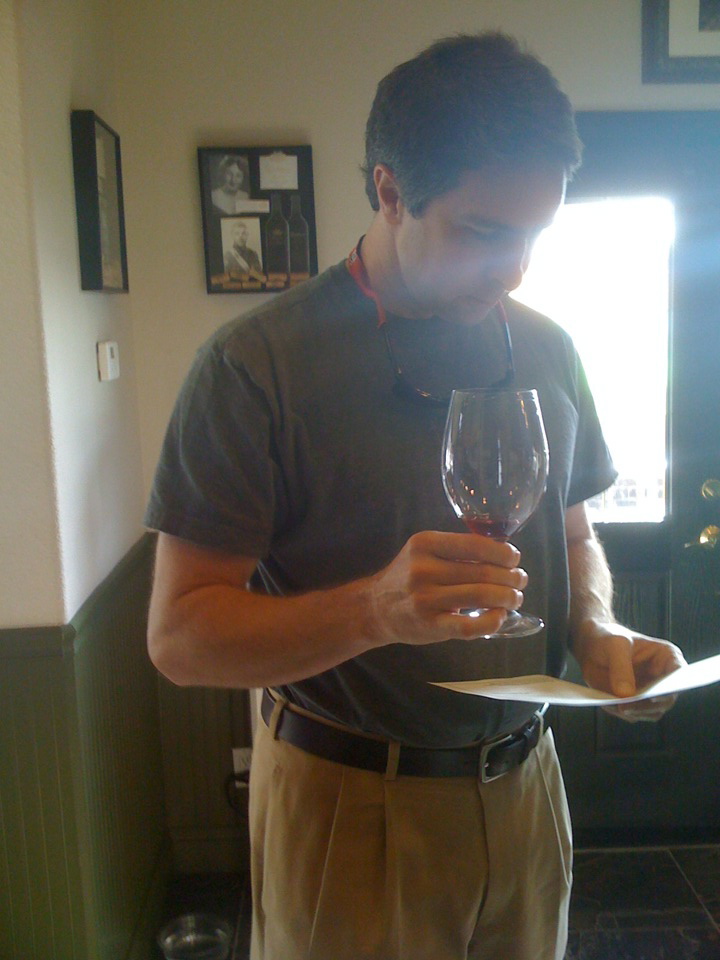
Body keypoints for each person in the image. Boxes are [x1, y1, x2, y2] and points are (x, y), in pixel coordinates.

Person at [145, 32, 686, 960]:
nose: (515, 269)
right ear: (391, 192)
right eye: (485, 231)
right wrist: (375, 610)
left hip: (527, 787)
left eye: (536, 235)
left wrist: (596, 626)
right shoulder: (254, 366)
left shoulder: (550, 347)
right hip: (349, 803)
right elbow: (180, 638)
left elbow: (573, 531)